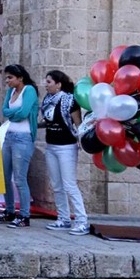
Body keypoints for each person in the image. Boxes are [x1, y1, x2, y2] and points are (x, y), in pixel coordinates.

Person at [40, 69, 89, 236]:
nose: (45, 85)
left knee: (69, 184)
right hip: (51, 145)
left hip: (66, 146)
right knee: (57, 185)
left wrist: (82, 141)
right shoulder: (48, 100)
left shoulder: (70, 101)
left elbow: (78, 124)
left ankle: (82, 221)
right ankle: (63, 218)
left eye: (49, 82)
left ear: (58, 84)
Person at [0, 63, 39, 229]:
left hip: (23, 137)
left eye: (10, 77)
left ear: (20, 78)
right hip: (10, 136)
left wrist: (14, 114)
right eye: (7, 77)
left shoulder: (29, 91)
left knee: (20, 178)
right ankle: (9, 210)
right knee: (5, 176)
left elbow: (24, 113)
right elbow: (5, 111)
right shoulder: (11, 92)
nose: (8, 81)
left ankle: (25, 215)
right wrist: (14, 114)